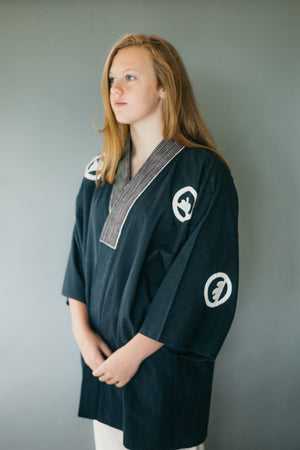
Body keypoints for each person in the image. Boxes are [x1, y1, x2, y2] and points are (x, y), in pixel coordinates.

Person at [62, 33, 239, 450]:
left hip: (161, 370)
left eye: (129, 77)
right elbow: (78, 259)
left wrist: (134, 355)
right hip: (104, 366)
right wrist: (82, 334)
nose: (115, 89)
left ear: (164, 86)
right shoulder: (99, 171)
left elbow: (199, 277)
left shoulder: (203, 172)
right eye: (110, 80)